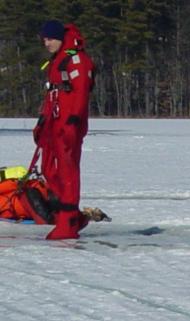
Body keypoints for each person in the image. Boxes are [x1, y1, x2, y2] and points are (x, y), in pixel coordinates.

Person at [33, 20, 95, 239]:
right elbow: (52, 95)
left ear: (59, 38)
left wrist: (74, 120)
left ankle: (68, 220)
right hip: (54, 123)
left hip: (69, 124)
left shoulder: (77, 61)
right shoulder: (58, 60)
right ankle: (69, 214)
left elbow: (80, 94)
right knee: (48, 168)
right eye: (44, 39)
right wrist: (42, 121)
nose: (46, 43)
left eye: (49, 39)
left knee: (68, 169)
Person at [0, 173, 108, 224]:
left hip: (29, 195)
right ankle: (89, 214)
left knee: (46, 221)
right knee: (62, 214)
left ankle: (86, 215)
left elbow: (14, 184)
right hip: (34, 202)